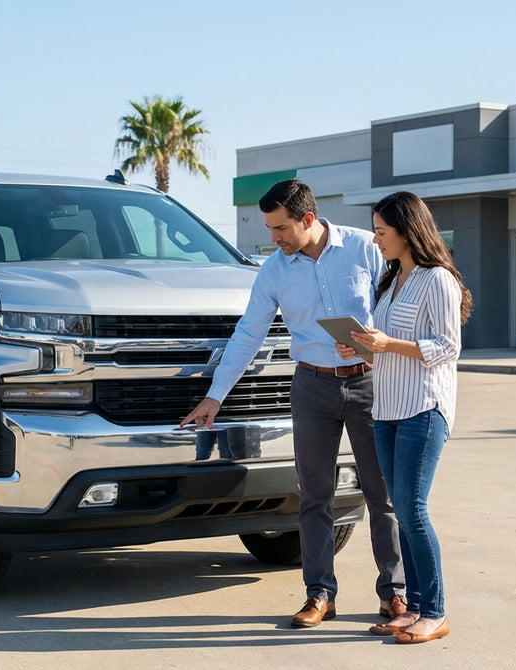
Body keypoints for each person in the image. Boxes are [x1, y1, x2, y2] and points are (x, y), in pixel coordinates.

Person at [179, 178, 406, 628]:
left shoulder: (366, 248)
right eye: (269, 228)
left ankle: (394, 593)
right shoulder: (274, 270)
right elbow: (248, 334)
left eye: (280, 228)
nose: (273, 238)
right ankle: (320, 593)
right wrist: (213, 397)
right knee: (314, 496)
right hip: (311, 389)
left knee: (383, 495)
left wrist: (370, 344)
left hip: (370, 385)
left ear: (307, 219)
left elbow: (397, 308)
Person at [337, 191, 472, 644]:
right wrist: (359, 349)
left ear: (407, 232)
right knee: (400, 511)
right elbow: (387, 353)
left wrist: (386, 344)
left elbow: (447, 348)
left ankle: (435, 612)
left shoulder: (438, 280)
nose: (375, 239)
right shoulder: (391, 282)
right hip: (386, 408)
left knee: (413, 512)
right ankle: (413, 608)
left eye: (381, 231)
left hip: (424, 408)